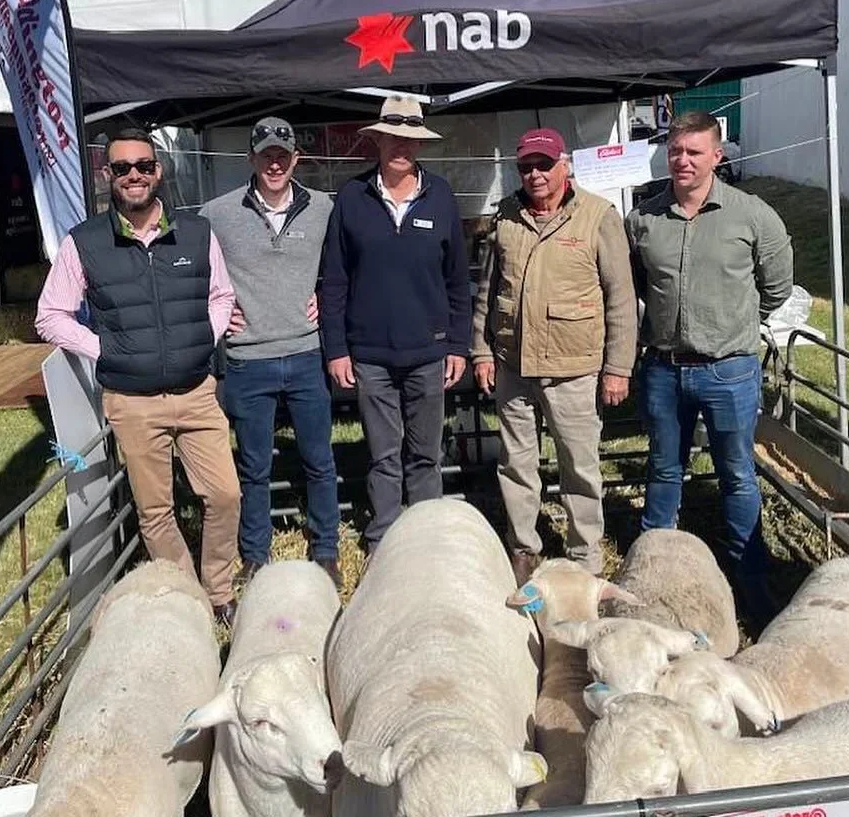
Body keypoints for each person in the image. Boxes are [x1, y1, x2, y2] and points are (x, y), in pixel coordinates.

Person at [35, 128, 240, 624]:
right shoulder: (85, 242)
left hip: (196, 392)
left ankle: (219, 590)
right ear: (108, 175)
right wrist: (105, 349)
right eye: (122, 167)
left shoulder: (197, 233)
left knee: (225, 494)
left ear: (158, 170)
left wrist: (202, 338)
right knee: (155, 510)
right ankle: (185, 598)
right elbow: (50, 314)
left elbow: (222, 296)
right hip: (131, 399)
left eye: (143, 166)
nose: (134, 176)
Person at [625, 110, 793, 622]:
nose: (682, 160)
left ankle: (749, 579)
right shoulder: (645, 219)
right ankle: (653, 582)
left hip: (730, 372)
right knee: (663, 470)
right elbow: (633, 284)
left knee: (738, 474)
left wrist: (737, 326)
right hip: (664, 369)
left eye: (694, 152)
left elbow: (778, 284)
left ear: (717, 155)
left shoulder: (751, 215)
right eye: (675, 151)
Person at [472, 127, 638, 586]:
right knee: (515, 464)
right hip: (512, 364)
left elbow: (621, 297)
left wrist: (618, 367)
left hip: (574, 367)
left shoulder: (598, 217)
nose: (535, 174)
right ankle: (523, 548)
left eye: (544, 165)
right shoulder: (505, 215)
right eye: (525, 166)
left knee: (579, 464)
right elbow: (488, 291)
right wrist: (482, 350)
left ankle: (585, 556)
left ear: (564, 165)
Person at [319, 95, 471, 552]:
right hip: (370, 356)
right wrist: (337, 349)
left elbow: (458, 280)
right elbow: (334, 280)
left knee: (426, 454)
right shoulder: (352, 197)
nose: (400, 147)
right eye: (393, 138)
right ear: (378, 141)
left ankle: (428, 543)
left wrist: (458, 345)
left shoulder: (441, 196)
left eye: (410, 139)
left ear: (419, 146)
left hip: (428, 351)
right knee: (384, 456)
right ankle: (383, 542)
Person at [200, 118, 340, 588]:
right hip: (247, 357)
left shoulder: (323, 208)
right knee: (253, 466)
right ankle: (255, 554)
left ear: (297, 158)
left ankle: (326, 549)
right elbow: (192, 273)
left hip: (305, 353)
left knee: (319, 458)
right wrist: (217, 313)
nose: (275, 162)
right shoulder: (217, 214)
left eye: (283, 153)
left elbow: (346, 266)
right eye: (266, 155)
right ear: (251, 160)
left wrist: (324, 290)